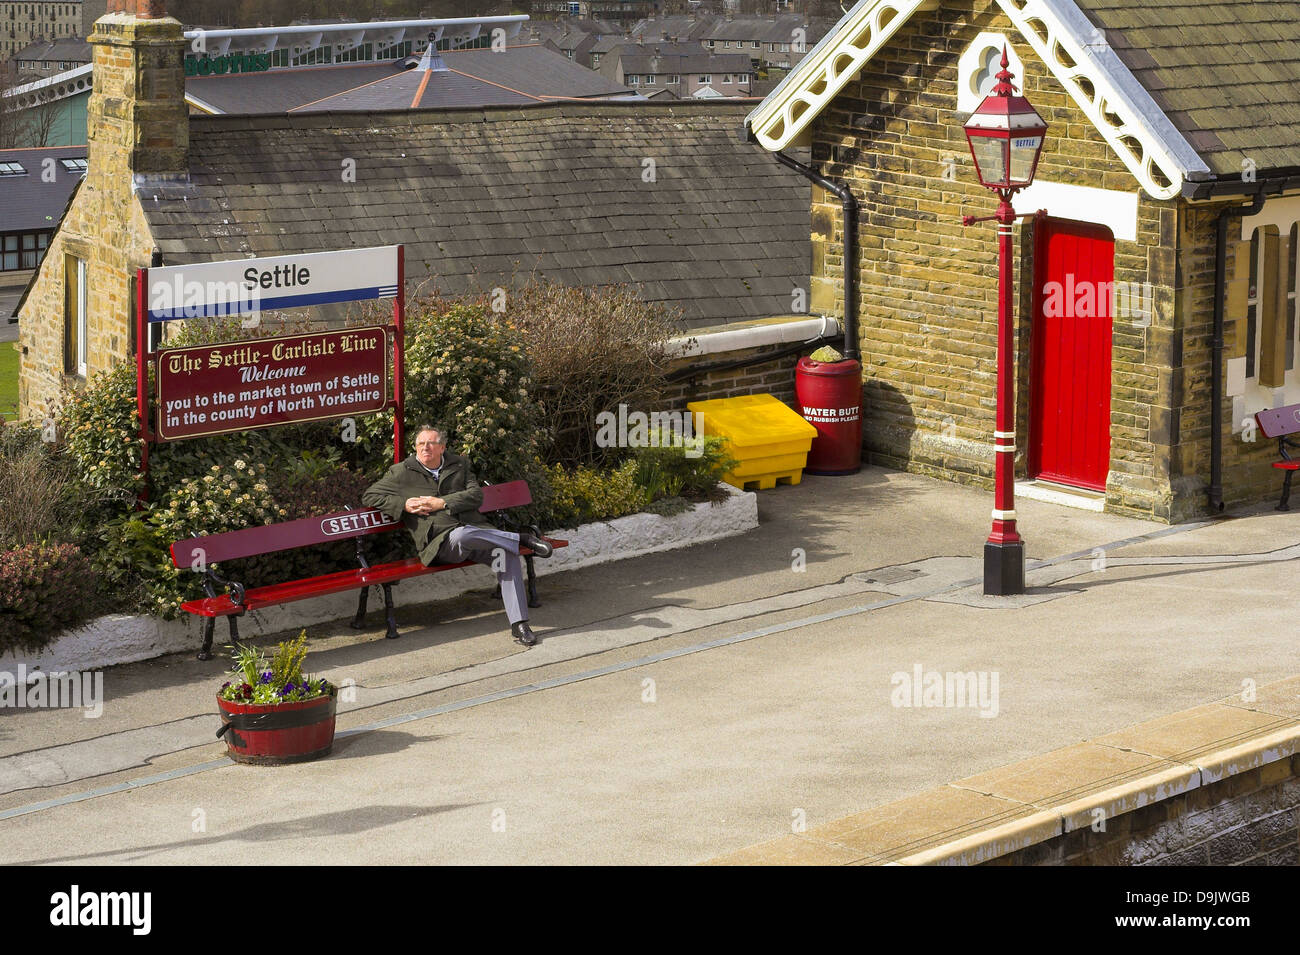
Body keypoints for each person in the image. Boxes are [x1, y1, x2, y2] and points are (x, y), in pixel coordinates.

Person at [362, 424, 552, 647]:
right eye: (420, 444)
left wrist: (442, 502)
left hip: (478, 537)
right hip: (440, 543)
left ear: (442, 447)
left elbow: (475, 496)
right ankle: (521, 539)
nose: (425, 448)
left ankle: (519, 624)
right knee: (462, 536)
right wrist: (403, 504)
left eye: (431, 444)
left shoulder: (459, 465)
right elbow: (370, 495)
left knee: (505, 555)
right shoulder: (402, 472)